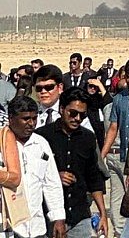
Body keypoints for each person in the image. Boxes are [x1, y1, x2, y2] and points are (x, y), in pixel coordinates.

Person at [37, 89, 109, 238]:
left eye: (82, 115)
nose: (77, 118)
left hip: (79, 215)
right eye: (73, 113)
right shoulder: (42, 137)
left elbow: (94, 178)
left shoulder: (88, 138)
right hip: (49, 217)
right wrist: (55, 177)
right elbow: (32, 175)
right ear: (61, 109)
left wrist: (103, 214)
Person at [3, 93, 68, 238]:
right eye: (26, 119)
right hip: (8, 227)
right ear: (11, 119)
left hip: (36, 227)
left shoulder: (41, 144)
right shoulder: (2, 145)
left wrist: (58, 218)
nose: (31, 123)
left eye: (34, 118)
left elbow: (51, 183)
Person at [101, 60, 129, 238]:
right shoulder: (119, 99)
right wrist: (102, 154)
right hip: (120, 157)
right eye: (128, 77)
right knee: (117, 200)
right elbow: (113, 127)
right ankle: (120, 233)